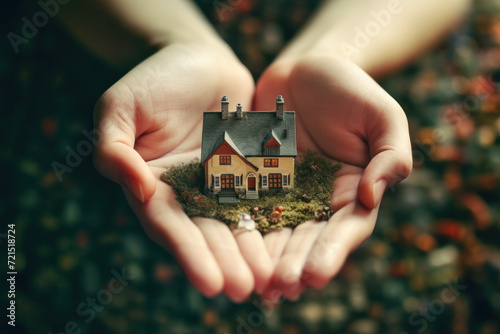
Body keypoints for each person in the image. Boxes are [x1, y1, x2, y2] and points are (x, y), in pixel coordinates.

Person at [58, 0, 471, 302]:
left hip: (367, 88)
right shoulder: (230, 155)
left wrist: (334, 53)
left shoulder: (276, 155)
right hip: (103, 68)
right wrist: (174, 39)